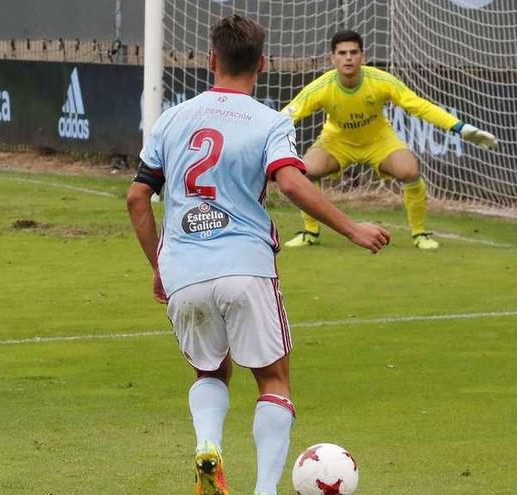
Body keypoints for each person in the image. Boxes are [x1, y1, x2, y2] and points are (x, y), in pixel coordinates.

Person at [127, 16, 390, 495]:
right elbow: (290, 181)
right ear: (262, 65)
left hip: (184, 269)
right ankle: (265, 490)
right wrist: (352, 228)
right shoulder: (271, 121)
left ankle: (208, 445)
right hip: (245, 265)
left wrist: (159, 268)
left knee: (210, 371)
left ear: (211, 61)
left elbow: (137, 198)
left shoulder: (171, 118)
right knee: (273, 378)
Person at [282, 30, 498, 250]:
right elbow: (288, 116)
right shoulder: (320, 87)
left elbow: (418, 105)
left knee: (410, 171)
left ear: (362, 57)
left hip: (379, 140)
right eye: (343, 53)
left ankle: (420, 234)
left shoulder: (381, 81)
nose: (348, 58)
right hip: (336, 141)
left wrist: (460, 128)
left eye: (354, 52)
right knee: (305, 171)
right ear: (333, 58)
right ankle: (310, 232)